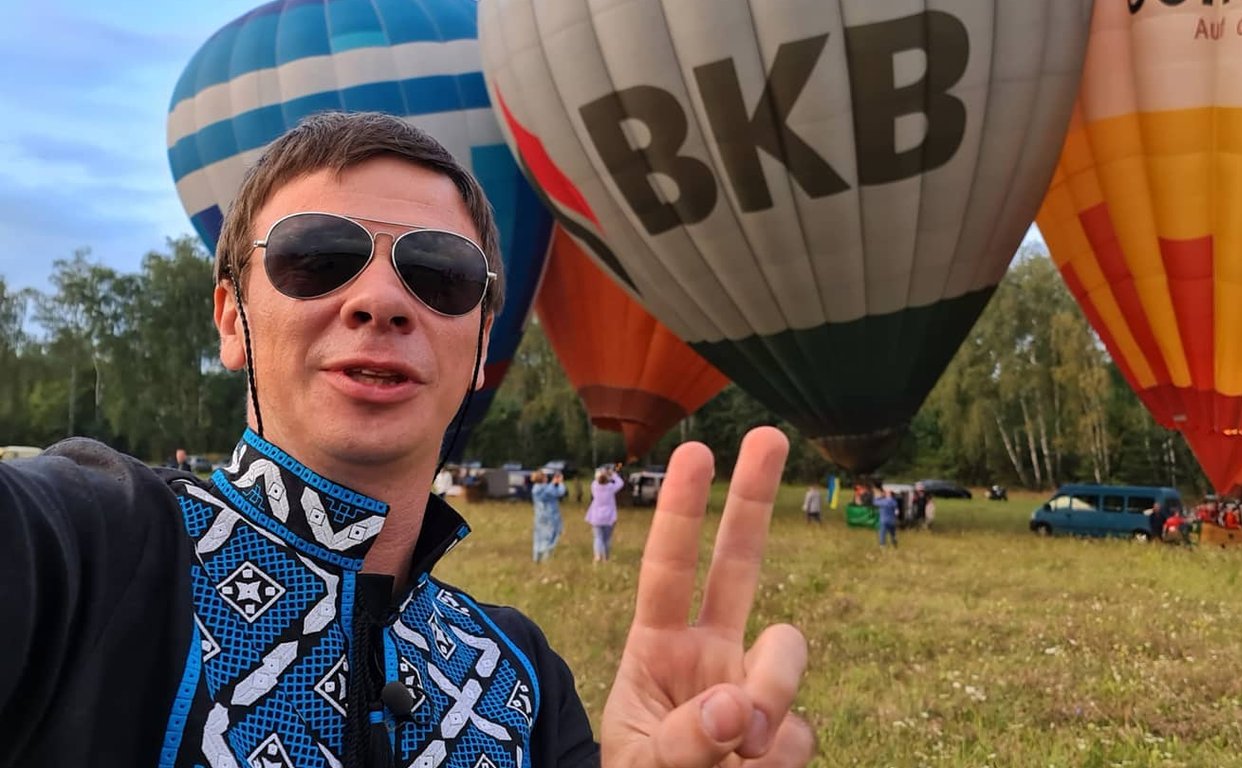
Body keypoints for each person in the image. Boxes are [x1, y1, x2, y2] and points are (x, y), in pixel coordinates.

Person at [0, 112, 813, 768]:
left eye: (441, 274)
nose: (383, 299)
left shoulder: (521, 677)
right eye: (316, 257)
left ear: (484, 343)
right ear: (231, 320)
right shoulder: (98, 546)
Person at [586, 465, 625, 562]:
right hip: (609, 517)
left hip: (596, 517)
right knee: (607, 539)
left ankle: (597, 556)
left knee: (597, 537)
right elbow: (620, 483)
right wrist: (613, 474)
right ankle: (606, 558)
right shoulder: (611, 488)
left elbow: (596, 479)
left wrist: (601, 472)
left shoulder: (594, 486)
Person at [530, 469, 567, 562]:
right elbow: (560, 492)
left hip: (539, 516)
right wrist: (560, 482)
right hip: (551, 516)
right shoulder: (548, 489)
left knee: (538, 536)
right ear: (543, 479)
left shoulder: (535, 488)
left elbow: (548, 490)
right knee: (550, 537)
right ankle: (545, 558)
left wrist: (553, 483)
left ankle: (536, 557)